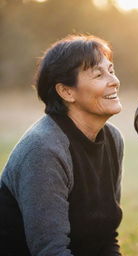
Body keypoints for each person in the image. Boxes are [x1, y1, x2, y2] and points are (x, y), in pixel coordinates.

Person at [0, 34, 124, 256]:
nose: (114, 81)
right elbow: (50, 251)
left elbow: (107, 238)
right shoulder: (44, 149)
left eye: (111, 71)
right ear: (66, 91)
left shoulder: (113, 140)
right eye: (98, 74)